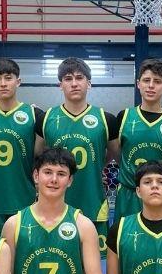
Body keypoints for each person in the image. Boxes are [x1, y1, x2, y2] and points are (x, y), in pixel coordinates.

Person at [35, 57, 118, 257]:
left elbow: (115, 154)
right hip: (54, 209)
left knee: (95, 267)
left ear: (89, 83)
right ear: (60, 85)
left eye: (80, 78)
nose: (74, 83)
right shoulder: (46, 118)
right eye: (68, 78)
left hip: (93, 205)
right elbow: (38, 155)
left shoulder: (106, 119)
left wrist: (97, 164)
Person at [0, 58, 44, 235]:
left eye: (8, 77)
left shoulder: (34, 114)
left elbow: (40, 154)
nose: (3, 83)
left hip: (23, 199)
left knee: (22, 251)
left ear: (18, 81)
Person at [114, 58, 162, 222]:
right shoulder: (124, 117)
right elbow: (117, 154)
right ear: (138, 84)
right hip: (129, 194)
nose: (151, 86)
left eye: (157, 81)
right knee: (123, 237)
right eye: (146, 80)